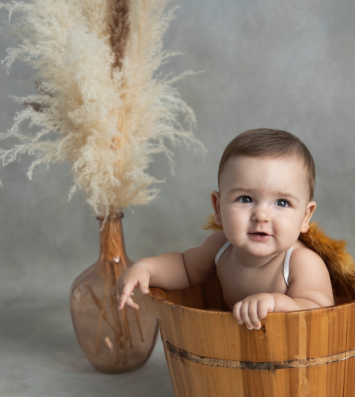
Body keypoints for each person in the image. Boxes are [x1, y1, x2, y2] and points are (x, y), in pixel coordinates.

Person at [118, 128, 334, 330]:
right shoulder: (221, 246)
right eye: (245, 198)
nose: (261, 215)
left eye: (282, 203)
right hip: (233, 353)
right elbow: (184, 267)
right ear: (218, 207)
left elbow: (321, 308)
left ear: (305, 217)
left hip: (290, 356)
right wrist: (145, 268)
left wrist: (276, 303)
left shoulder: (300, 262)